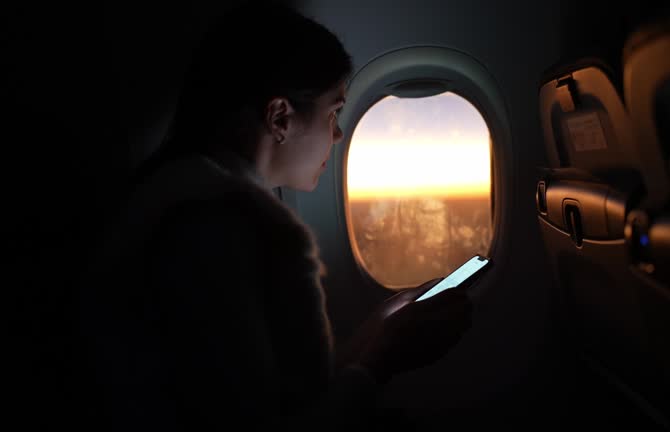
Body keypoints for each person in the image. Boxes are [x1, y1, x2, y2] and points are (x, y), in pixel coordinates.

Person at [77, 2, 473, 431]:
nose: (338, 134)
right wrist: (385, 358)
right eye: (333, 112)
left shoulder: (178, 193)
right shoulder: (220, 230)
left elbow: (271, 394)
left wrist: (375, 332)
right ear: (280, 118)